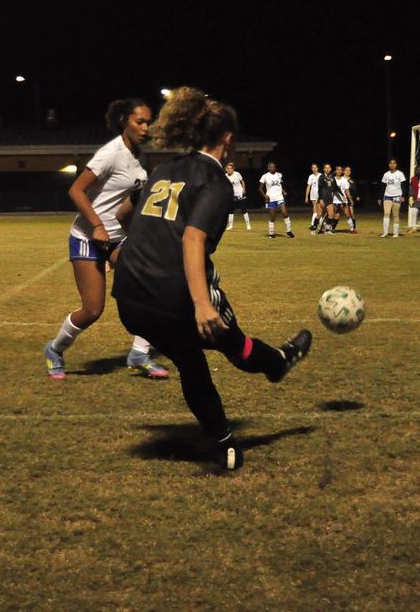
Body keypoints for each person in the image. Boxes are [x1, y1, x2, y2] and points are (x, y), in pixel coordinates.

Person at [113, 87, 313, 471]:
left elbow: (125, 212)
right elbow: (192, 237)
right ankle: (278, 363)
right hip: (172, 295)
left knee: (191, 359)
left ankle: (226, 443)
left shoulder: (164, 168)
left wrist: (135, 250)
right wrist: (202, 305)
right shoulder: (216, 181)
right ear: (228, 139)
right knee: (231, 345)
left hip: (129, 298)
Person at [43, 98, 170, 380]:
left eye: (149, 122)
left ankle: (139, 353)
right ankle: (54, 349)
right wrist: (98, 226)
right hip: (88, 237)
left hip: (118, 239)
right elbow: (76, 191)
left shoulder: (138, 157)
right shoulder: (110, 153)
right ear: (125, 121)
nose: (146, 128)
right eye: (140, 122)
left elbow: (127, 203)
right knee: (92, 310)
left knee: (150, 288)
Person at [258, 161, 294, 238]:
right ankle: (271, 233)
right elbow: (260, 188)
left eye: (273, 166)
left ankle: (289, 231)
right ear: (268, 168)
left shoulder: (279, 175)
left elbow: (279, 185)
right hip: (270, 198)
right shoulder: (265, 176)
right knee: (273, 217)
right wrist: (265, 196)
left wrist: (284, 191)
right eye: (270, 167)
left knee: (285, 213)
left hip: (279, 197)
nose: (272, 168)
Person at [378, 159, 407, 237]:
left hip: (397, 196)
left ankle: (395, 233)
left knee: (395, 215)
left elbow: (403, 185)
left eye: (394, 163)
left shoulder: (400, 174)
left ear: (396, 165)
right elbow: (383, 186)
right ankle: (385, 232)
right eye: (390, 163)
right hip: (387, 196)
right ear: (388, 165)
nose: (392, 165)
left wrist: (403, 196)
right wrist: (380, 198)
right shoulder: (386, 174)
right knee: (386, 213)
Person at [224, 162, 250, 230]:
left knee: (243, 209)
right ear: (226, 169)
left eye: (230, 168)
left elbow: (242, 181)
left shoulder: (237, 174)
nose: (229, 170)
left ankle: (248, 225)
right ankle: (230, 226)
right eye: (228, 168)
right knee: (230, 210)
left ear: (233, 169)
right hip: (231, 195)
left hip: (239, 193)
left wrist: (244, 189)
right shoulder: (225, 176)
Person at [315, 162, 338, 234]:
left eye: (329, 168)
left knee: (331, 214)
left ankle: (328, 230)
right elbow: (319, 189)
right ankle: (314, 228)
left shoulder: (332, 177)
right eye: (326, 168)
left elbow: (335, 187)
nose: (327, 169)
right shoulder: (321, 177)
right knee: (319, 214)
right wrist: (321, 199)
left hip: (329, 199)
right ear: (323, 169)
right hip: (322, 198)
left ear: (331, 169)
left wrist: (342, 195)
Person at [331, 164, 352, 232]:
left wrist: (350, 199)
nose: (339, 171)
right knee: (334, 215)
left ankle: (352, 228)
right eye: (338, 170)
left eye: (340, 170)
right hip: (333, 200)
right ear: (335, 171)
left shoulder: (344, 180)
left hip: (343, 200)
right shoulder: (332, 179)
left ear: (342, 171)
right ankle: (332, 228)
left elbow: (347, 190)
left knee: (348, 214)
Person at [305, 163, 322, 231]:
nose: (314, 169)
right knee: (315, 209)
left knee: (320, 210)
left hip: (320, 195)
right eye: (313, 168)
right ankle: (314, 224)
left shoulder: (321, 175)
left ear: (317, 168)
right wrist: (306, 196)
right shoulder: (311, 176)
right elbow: (308, 186)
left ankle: (319, 224)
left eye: (315, 167)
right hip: (313, 195)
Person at [343, 166, 359, 233]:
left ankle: (353, 228)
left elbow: (355, 189)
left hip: (350, 199)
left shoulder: (352, 180)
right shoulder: (340, 179)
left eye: (349, 170)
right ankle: (331, 226)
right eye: (346, 170)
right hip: (341, 199)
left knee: (352, 213)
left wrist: (357, 196)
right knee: (337, 214)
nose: (348, 171)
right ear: (343, 171)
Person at [408, 165, 420, 233]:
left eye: (419, 170)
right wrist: (410, 197)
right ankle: (414, 227)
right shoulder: (412, 179)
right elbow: (411, 188)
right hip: (416, 199)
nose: (418, 171)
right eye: (417, 170)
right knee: (414, 212)